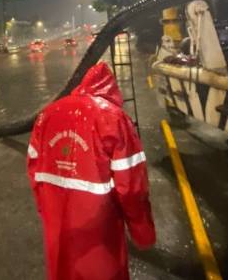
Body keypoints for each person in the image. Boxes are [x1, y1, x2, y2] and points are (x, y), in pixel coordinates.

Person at [27, 62, 155, 280]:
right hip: (99, 227)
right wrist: (142, 231)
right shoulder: (114, 118)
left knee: (62, 269)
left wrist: (45, 208)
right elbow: (131, 186)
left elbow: (33, 168)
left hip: (56, 220)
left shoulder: (46, 115)